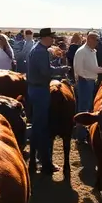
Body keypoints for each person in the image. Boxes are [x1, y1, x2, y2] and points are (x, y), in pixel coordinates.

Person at [26, 27, 67, 174]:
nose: (53, 40)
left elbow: (44, 68)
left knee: (38, 126)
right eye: (51, 37)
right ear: (45, 38)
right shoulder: (41, 52)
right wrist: (61, 70)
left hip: (33, 89)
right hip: (40, 91)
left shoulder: (36, 49)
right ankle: (45, 163)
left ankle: (36, 159)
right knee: (41, 128)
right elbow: (45, 73)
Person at [72, 32, 102, 142]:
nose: (97, 43)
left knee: (88, 106)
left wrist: (99, 70)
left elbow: (93, 67)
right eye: (95, 40)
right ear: (89, 39)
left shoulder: (91, 52)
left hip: (90, 81)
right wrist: (100, 70)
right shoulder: (82, 52)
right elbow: (79, 69)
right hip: (84, 81)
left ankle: (85, 132)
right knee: (83, 108)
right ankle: (80, 136)